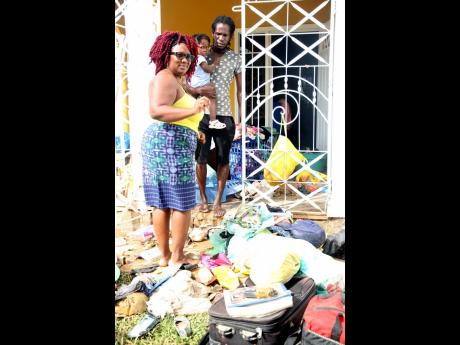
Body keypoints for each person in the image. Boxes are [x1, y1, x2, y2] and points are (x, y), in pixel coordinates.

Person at [142, 31, 210, 267]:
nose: (185, 60)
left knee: (162, 201)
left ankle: (164, 257)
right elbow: (157, 111)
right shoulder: (165, 77)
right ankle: (177, 256)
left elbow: (173, 114)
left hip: (167, 141)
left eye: (189, 57)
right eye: (179, 55)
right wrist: (194, 111)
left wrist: (195, 130)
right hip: (170, 144)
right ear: (165, 54)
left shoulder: (169, 78)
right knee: (181, 202)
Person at [187, 15, 242, 216]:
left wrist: (241, 119)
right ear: (213, 34)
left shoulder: (235, 59)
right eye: (217, 33)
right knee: (200, 159)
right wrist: (200, 92)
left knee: (223, 159)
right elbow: (186, 84)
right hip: (201, 115)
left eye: (224, 35)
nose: (220, 38)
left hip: (225, 116)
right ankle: (203, 198)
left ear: (230, 36)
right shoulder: (200, 54)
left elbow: (240, 90)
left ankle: (218, 201)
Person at [190, 34, 225, 130]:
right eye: (202, 47)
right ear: (194, 46)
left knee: (192, 102)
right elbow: (207, 69)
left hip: (193, 84)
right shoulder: (200, 58)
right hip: (202, 84)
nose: (205, 49)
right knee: (212, 98)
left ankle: (191, 118)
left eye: (207, 47)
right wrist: (215, 64)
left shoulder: (192, 58)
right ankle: (213, 121)